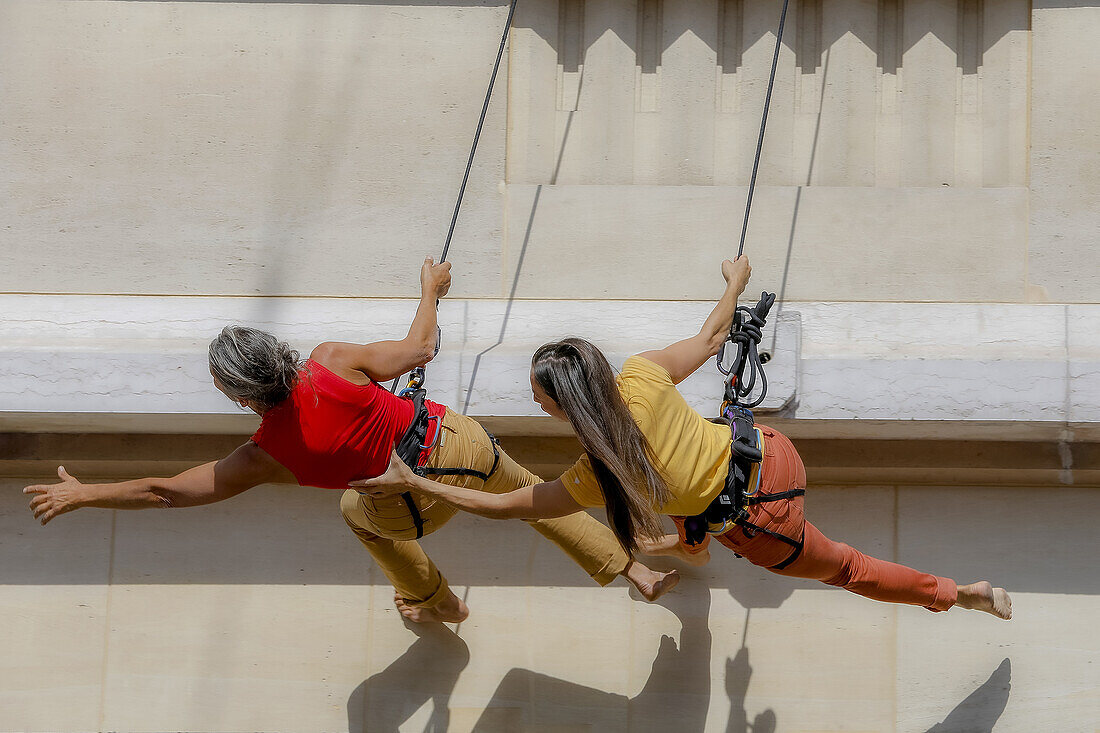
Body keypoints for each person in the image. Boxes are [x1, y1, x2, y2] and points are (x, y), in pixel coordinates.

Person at [23, 257, 677, 624]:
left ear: (244, 395)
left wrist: (85, 493)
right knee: (535, 493)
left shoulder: (263, 453)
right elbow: (422, 345)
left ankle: (435, 601)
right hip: (457, 446)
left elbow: (167, 490)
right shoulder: (331, 359)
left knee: (355, 515)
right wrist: (430, 292)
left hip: (407, 503)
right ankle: (635, 568)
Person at [354, 256, 1012, 620]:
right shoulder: (640, 373)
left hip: (760, 516)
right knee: (685, 528)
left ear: (566, 406)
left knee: (847, 566)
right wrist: (734, 282)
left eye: (539, 394)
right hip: (769, 452)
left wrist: (416, 482)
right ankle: (675, 545)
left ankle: (958, 592)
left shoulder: (595, 474)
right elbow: (710, 337)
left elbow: (507, 505)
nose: (532, 398)